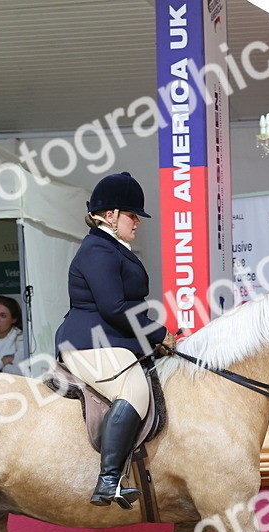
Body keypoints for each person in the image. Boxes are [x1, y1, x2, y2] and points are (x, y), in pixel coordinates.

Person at [54, 171, 175, 508]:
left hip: (111, 338)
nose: (137, 222)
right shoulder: (98, 250)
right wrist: (158, 333)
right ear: (110, 216)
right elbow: (114, 307)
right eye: (132, 215)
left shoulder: (112, 248)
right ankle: (108, 481)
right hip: (89, 341)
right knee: (133, 389)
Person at [0, 295, 26, 374]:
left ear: (14, 319)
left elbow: (19, 371)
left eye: (3, 316)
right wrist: (3, 361)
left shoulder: (20, 338)